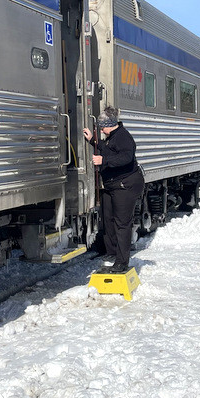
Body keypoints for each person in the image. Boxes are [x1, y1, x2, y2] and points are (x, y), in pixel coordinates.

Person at [83, 106, 144, 273]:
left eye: (102, 127)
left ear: (110, 124)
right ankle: (111, 253)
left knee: (122, 223)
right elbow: (107, 148)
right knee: (108, 219)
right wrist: (93, 141)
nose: (101, 130)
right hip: (112, 186)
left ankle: (122, 261)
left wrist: (104, 161)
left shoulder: (123, 137)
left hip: (125, 185)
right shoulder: (111, 137)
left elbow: (126, 157)